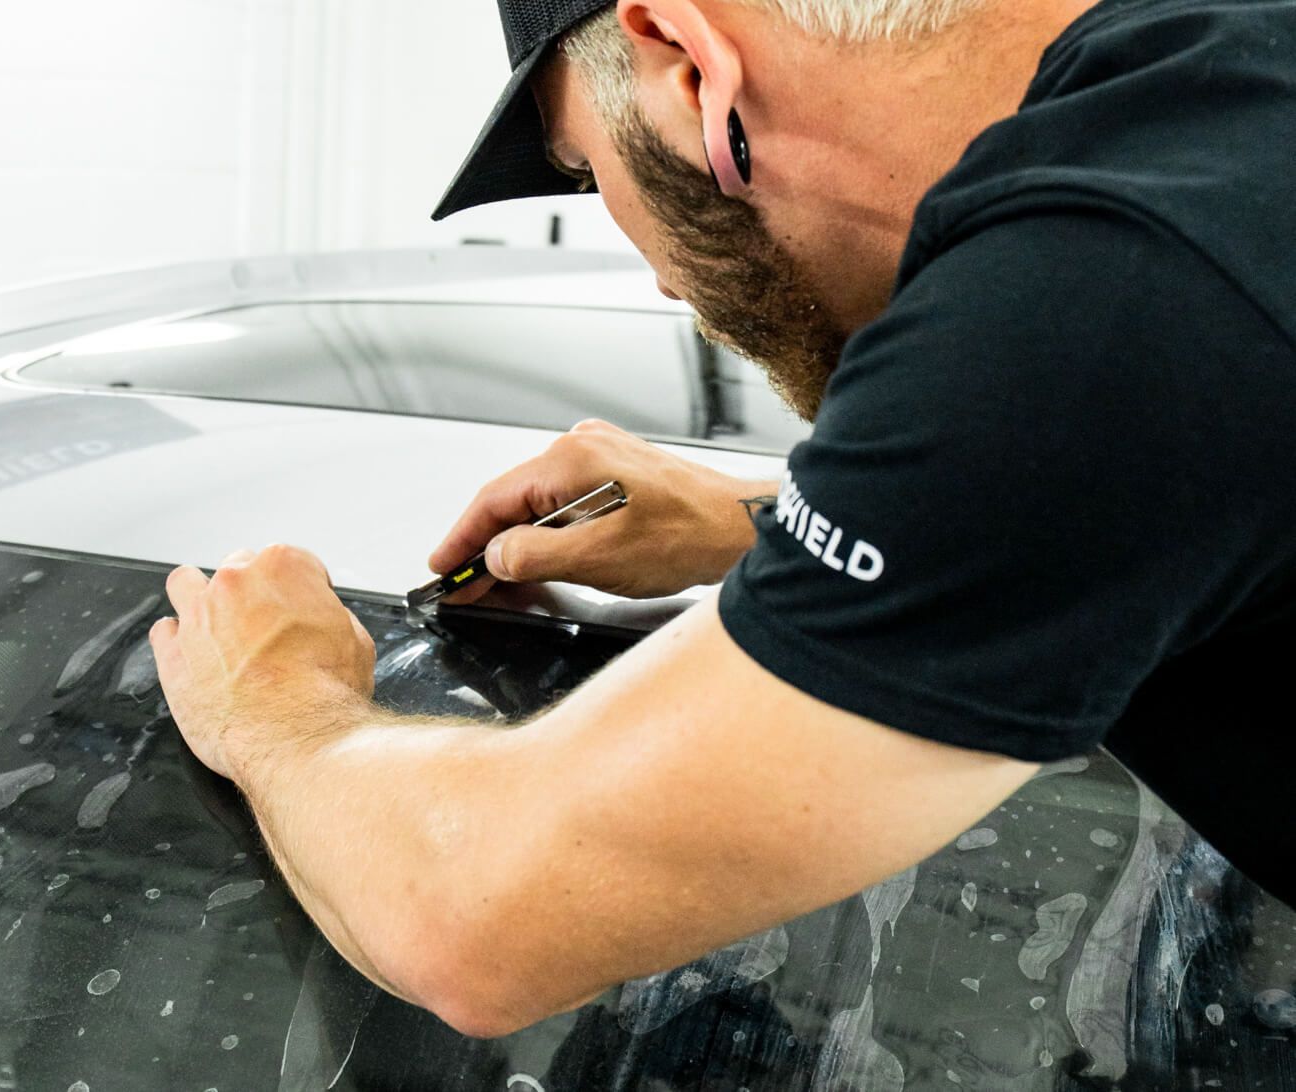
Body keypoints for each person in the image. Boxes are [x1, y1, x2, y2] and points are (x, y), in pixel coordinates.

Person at [150, 0, 1296, 1038]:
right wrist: (768, 521)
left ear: (691, 67)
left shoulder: (1105, 292)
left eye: (588, 172)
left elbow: (475, 919)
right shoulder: (1228, 106)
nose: (656, 281)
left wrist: (279, 708)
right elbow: (1132, 497)